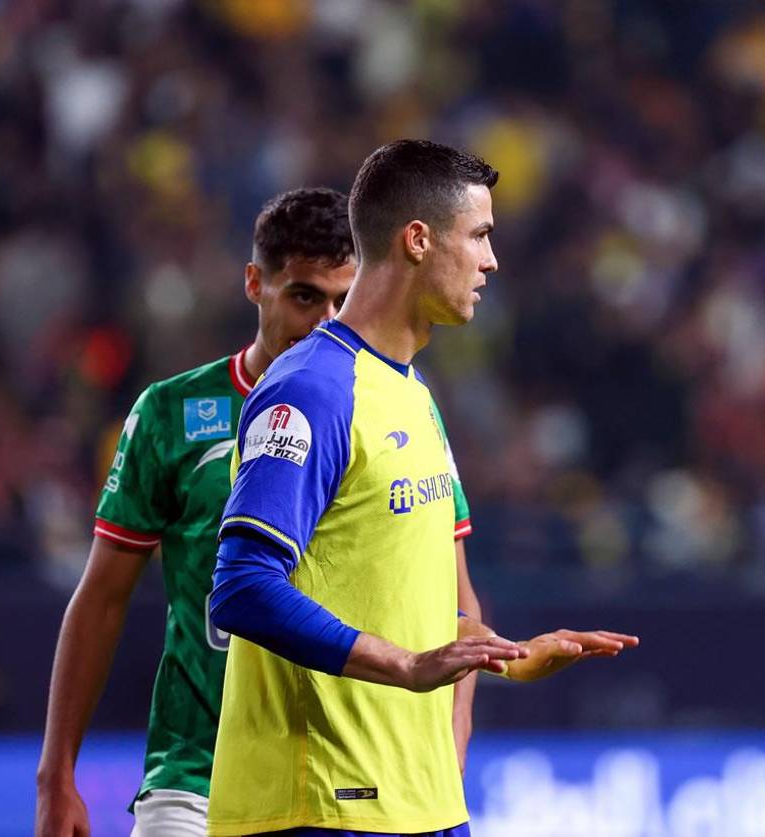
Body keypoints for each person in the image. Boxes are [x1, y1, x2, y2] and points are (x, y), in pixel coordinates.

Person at [208, 139, 639, 836]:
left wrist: (516, 654)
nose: (491, 260)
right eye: (480, 236)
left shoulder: (415, 397)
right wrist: (405, 665)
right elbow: (241, 586)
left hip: (421, 804)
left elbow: (411, 605)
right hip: (322, 804)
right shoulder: (312, 389)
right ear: (417, 240)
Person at [35, 188, 480, 837]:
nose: (326, 320)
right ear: (255, 284)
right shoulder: (172, 414)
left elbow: (457, 600)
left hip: (347, 777)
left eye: (342, 299)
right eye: (304, 296)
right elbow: (102, 596)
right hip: (196, 775)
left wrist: (447, 757)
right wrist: (57, 774)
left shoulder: (404, 403)